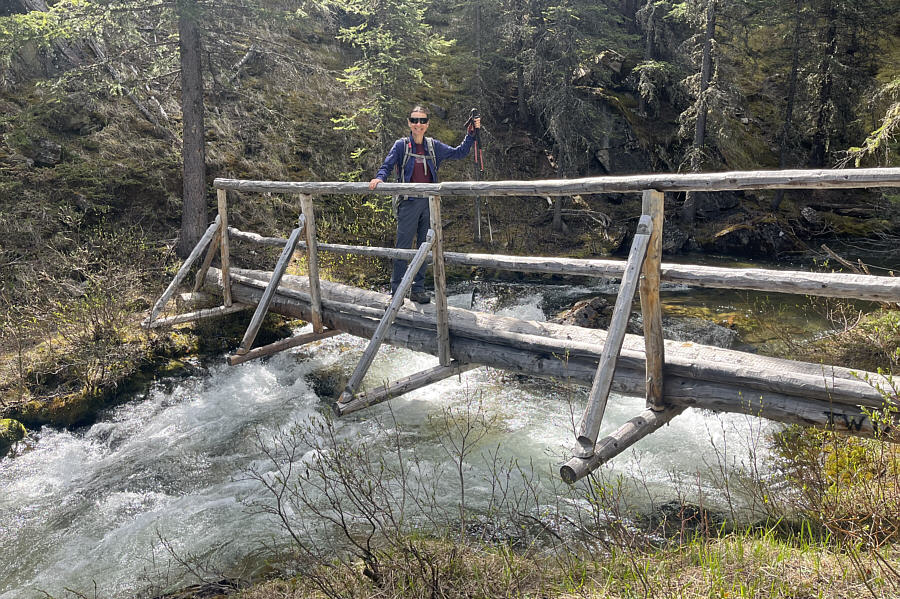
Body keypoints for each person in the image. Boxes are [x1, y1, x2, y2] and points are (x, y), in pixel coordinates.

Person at [369, 105, 481, 304]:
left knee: (425, 247)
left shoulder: (433, 146)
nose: (418, 124)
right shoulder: (401, 145)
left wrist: (470, 134)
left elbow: (459, 153)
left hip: (429, 203)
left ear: (427, 124)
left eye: (422, 120)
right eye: (414, 120)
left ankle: (418, 289)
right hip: (408, 203)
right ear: (409, 123)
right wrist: (379, 179)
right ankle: (397, 290)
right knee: (402, 247)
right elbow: (386, 166)